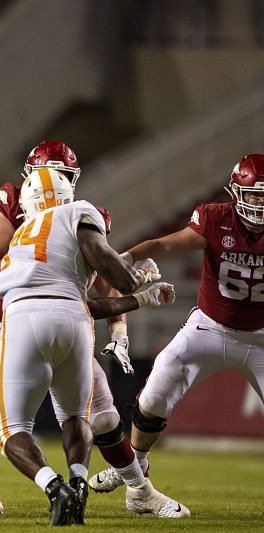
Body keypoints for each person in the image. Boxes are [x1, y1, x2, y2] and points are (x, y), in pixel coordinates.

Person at [0, 140, 189, 520]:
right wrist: (34, 274)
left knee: (104, 416)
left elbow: (101, 285)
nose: (54, 180)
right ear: (30, 178)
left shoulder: (79, 214)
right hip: (3, 321)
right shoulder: (16, 203)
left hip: (58, 315)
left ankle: (140, 490)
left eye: (62, 175)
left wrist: (119, 332)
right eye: (49, 173)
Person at [94, 153, 264, 510]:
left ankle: (130, 472)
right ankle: (135, 472)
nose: (261, 204)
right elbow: (166, 245)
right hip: (209, 327)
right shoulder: (217, 218)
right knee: (153, 396)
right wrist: (123, 260)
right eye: (255, 196)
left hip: (261, 337)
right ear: (237, 194)